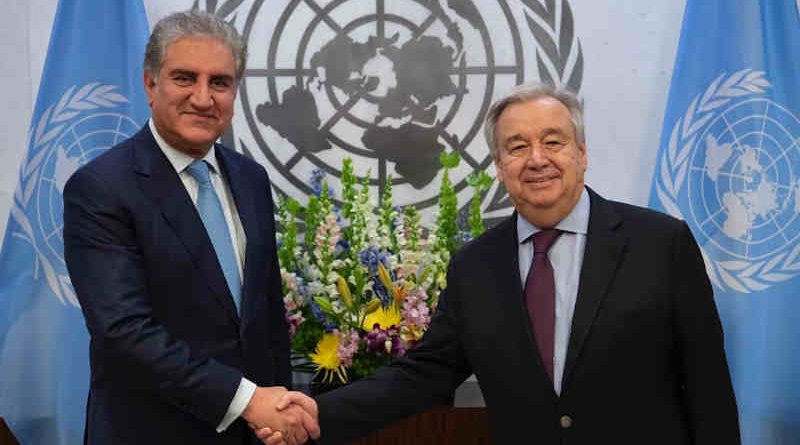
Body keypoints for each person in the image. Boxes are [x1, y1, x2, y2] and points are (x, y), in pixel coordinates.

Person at [266, 83, 741, 444]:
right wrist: (314, 413)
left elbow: (708, 387)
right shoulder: (476, 267)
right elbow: (424, 375)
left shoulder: (660, 244)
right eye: (517, 146)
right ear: (499, 165)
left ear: (582, 154)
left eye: (553, 142)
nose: (536, 160)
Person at [63, 11, 318, 445]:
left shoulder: (251, 179)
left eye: (219, 82)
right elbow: (125, 334)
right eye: (185, 78)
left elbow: (266, 316)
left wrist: (277, 407)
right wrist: (248, 400)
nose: (203, 98)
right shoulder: (101, 188)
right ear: (150, 85)